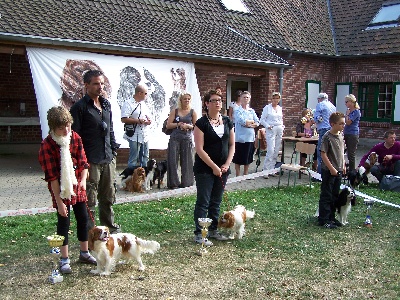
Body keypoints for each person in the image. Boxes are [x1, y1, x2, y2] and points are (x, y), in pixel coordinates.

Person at [39, 106, 96, 274]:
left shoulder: (75, 137)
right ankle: (64, 259)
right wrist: (59, 202)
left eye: (68, 126)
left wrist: (83, 181)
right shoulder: (47, 145)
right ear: (52, 128)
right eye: (61, 128)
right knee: (63, 221)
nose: (66, 130)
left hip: (77, 184)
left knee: (83, 218)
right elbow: (52, 177)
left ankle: (84, 253)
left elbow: (84, 161)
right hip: (61, 189)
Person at [70, 69, 121, 233]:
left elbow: (110, 128)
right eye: (96, 83)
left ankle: (110, 227)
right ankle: (90, 232)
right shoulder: (79, 107)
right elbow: (75, 137)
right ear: (86, 85)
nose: (100, 87)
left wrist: (113, 150)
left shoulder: (106, 104)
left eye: (102, 83)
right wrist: (81, 161)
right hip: (90, 160)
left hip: (108, 157)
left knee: (108, 195)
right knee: (90, 198)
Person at [193, 89, 235, 246]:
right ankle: (199, 233)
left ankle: (213, 230)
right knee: (203, 201)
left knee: (216, 201)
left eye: (220, 100)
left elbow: (232, 145)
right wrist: (213, 167)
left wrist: (226, 164)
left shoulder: (227, 121)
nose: (218, 103)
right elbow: (200, 149)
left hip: (223, 169)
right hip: (204, 169)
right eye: (214, 100)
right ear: (206, 103)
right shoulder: (201, 123)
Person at [318, 112, 346, 229]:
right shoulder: (327, 137)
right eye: (340, 124)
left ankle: (331, 217)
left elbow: (342, 153)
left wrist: (343, 165)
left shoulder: (340, 135)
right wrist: (331, 168)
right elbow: (323, 154)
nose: (343, 126)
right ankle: (324, 219)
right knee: (327, 195)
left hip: (338, 170)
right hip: (329, 171)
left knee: (335, 195)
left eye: (344, 124)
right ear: (332, 124)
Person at [166, 92, 197, 188]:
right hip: (174, 138)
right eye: (185, 99)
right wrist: (178, 124)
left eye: (188, 99)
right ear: (181, 100)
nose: (187, 100)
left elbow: (196, 127)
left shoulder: (192, 112)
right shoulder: (175, 111)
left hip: (187, 139)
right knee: (172, 161)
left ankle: (187, 183)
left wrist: (189, 126)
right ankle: (173, 183)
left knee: (187, 161)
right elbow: (168, 125)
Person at [121, 85, 152, 168]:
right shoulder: (128, 103)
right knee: (133, 158)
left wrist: (148, 121)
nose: (146, 95)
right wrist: (138, 121)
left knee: (145, 157)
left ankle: (144, 178)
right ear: (140, 93)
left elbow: (147, 116)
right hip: (134, 135)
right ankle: (131, 179)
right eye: (145, 93)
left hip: (144, 134)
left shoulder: (143, 104)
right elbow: (124, 119)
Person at [232, 91, 259, 176]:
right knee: (238, 156)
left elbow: (257, 122)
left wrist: (250, 124)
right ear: (240, 98)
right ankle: (237, 174)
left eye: (247, 97)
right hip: (240, 138)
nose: (246, 99)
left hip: (250, 137)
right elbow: (242, 121)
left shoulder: (251, 111)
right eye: (244, 97)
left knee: (248, 156)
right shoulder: (237, 110)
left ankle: (246, 173)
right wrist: (251, 123)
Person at [260, 92, 284, 178]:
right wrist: (267, 126)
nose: (276, 100)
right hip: (271, 129)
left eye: (277, 98)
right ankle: (265, 170)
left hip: (279, 129)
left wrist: (282, 126)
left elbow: (281, 119)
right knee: (270, 150)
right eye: (274, 98)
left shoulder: (280, 108)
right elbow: (262, 120)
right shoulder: (267, 108)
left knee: (276, 150)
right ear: (272, 99)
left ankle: (272, 169)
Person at [314, 93, 336, 174]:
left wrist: (315, 119)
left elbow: (318, 118)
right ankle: (329, 171)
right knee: (329, 152)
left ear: (320, 99)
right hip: (332, 129)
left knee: (321, 151)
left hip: (323, 129)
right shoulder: (332, 106)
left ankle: (320, 174)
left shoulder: (320, 105)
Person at [343, 94, 361, 171]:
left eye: (346, 102)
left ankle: (352, 171)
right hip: (346, 133)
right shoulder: (349, 111)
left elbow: (348, 122)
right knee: (343, 152)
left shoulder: (356, 112)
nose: (345, 104)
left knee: (351, 154)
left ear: (351, 102)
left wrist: (346, 115)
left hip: (352, 134)